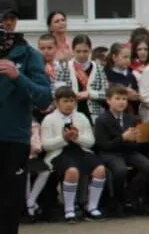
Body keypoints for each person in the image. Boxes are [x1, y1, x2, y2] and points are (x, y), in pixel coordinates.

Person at [1, 23, 52, 234]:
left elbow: (44, 98)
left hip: (13, 139)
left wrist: (16, 75)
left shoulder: (28, 55)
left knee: (8, 209)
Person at [40, 86, 108, 222]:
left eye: (72, 101)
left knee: (100, 170)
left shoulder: (81, 117)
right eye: (65, 101)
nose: (69, 104)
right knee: (72, 171)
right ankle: (69, 210)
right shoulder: (49, 119)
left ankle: (92, 207)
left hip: (80, 150)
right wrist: (64, 139)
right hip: (58, 154)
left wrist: (77, 138)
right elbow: (46, 145)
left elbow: (90, 142)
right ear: (57, 102)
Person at [95, 85, 149, 215]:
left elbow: (138, 145)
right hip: (110, 153)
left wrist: (137, 139)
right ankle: (117, 201)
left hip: (129, 151)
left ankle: (129, 195)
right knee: (120, 170)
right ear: (108, 100)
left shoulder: (131, 118)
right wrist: (123, 138)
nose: (121, 102)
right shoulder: (101, 120)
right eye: (117, 98)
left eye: (124, 99)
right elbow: (103, 145)